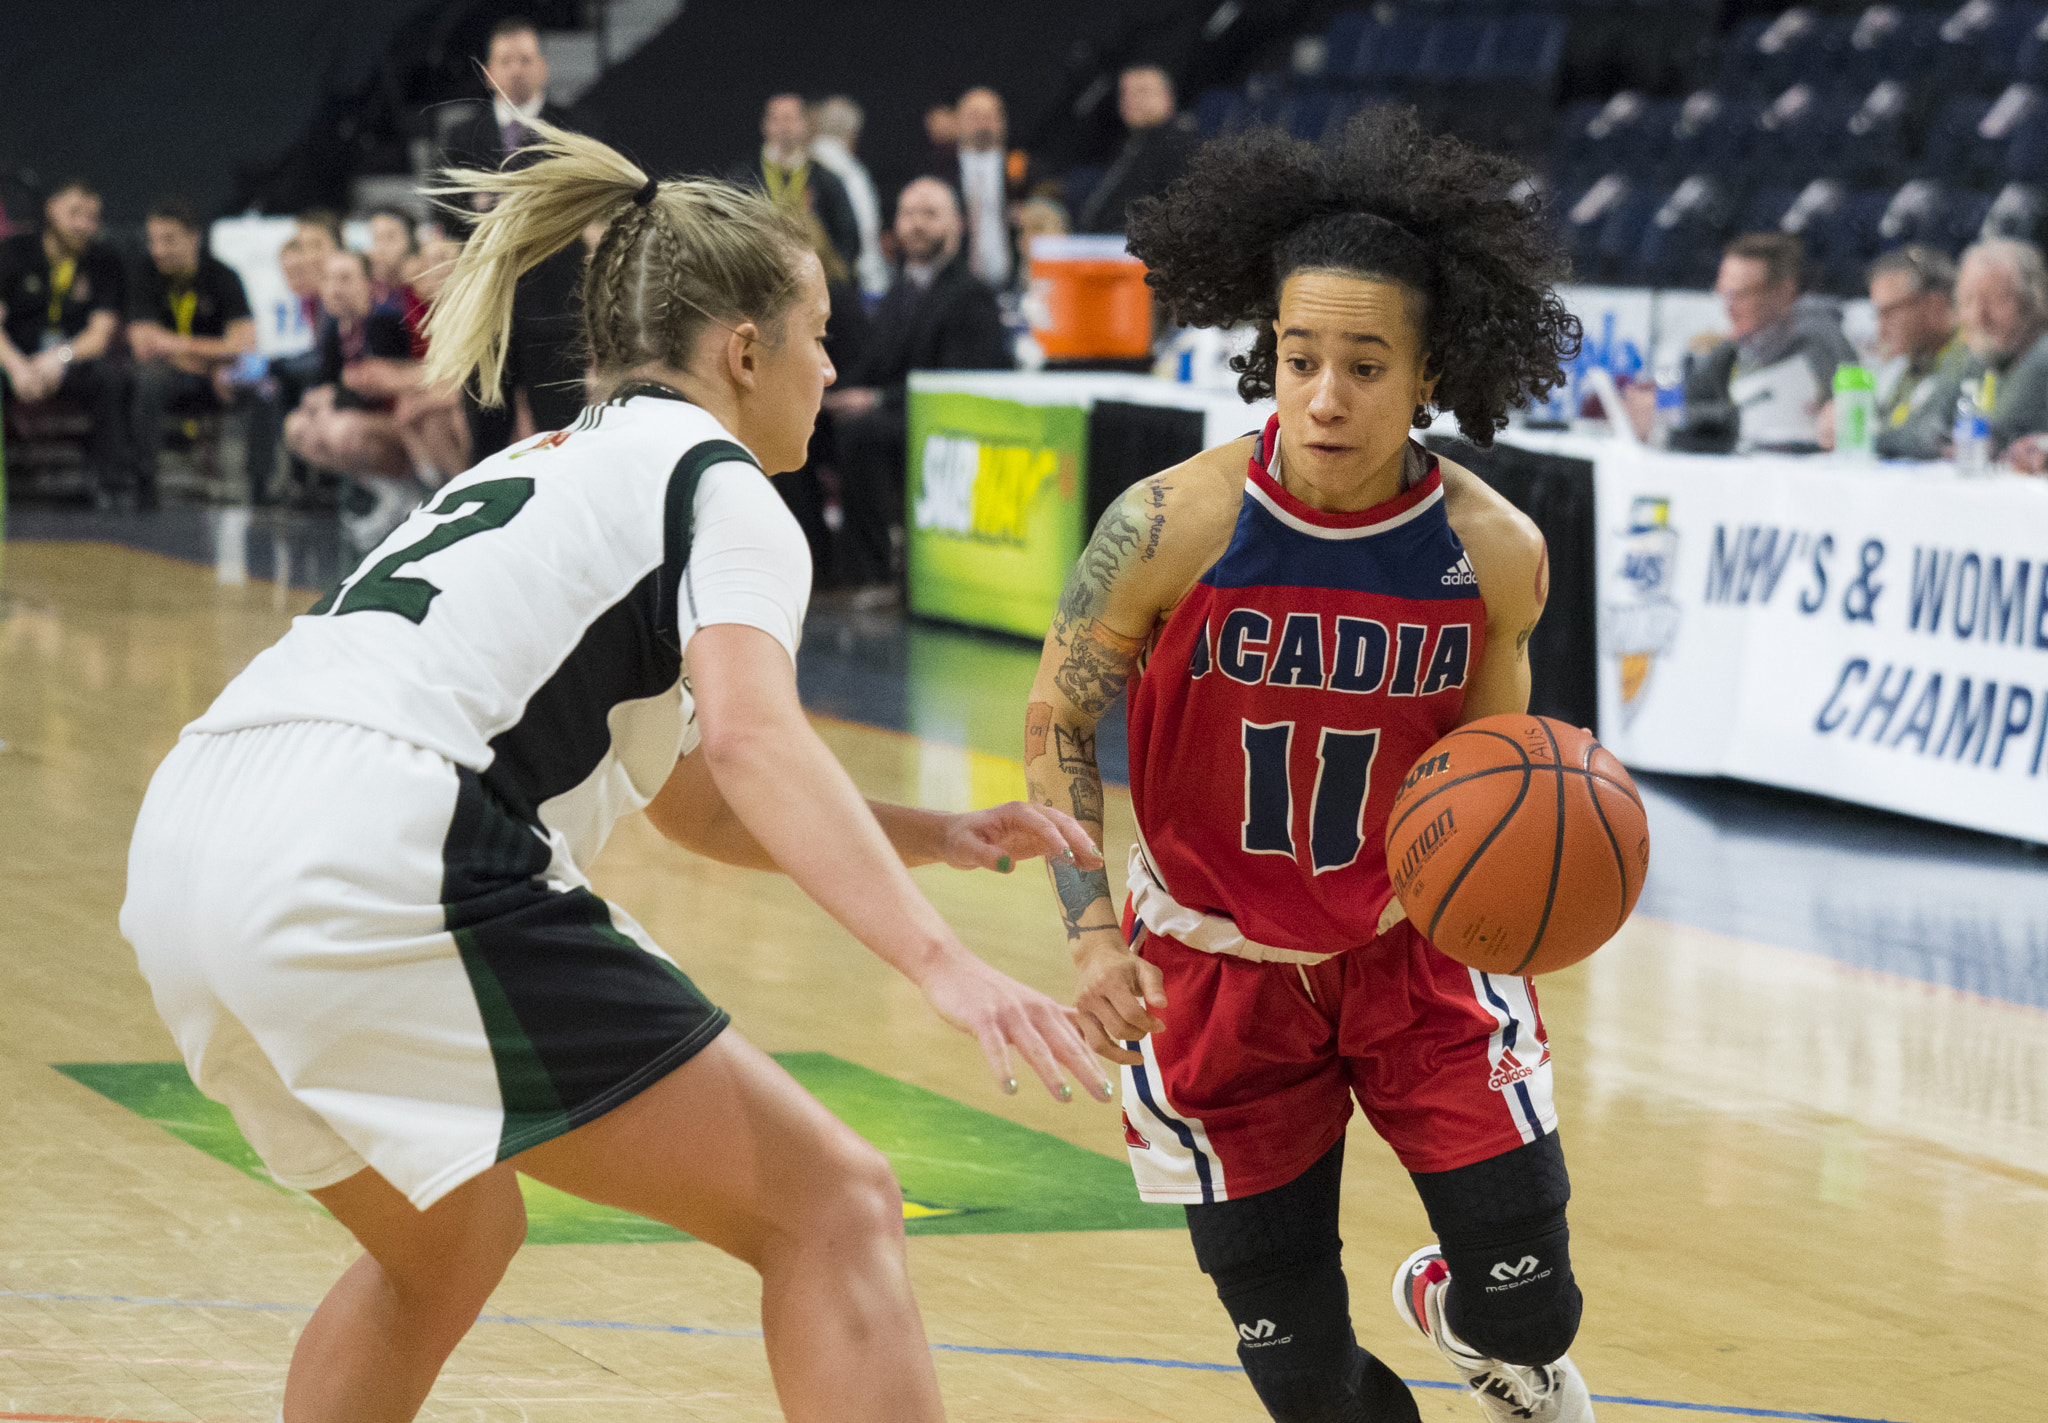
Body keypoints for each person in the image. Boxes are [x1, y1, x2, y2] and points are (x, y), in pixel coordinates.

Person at [121, 115, 1107, 1423]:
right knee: (836, 1202)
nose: (829, 368)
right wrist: (945, 962)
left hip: (193, 846)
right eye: (817, 337)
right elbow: (757, 735)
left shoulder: (548, 460)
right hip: (384, 843)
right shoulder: (723, 484)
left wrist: (933, 833)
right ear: (742, 351)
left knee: (447, 1242)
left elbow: (693, 791)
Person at [1025, 109, 1593, 1423]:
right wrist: (1091, 936)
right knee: (1306, 1385)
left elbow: (1493, 776)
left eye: (1365, 364)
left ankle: (1463, 1310)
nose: (1326, 394)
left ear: (1430, 368)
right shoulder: (1169, 521)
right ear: (1264, 353)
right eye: (1298, 358)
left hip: (1411, 950)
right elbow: (1058, 720)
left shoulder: (1494, 550)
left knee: (1534, 1303)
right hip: (1212, 970)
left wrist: (1524, 894)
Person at [823, 177, 1011, 592]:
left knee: (861, 432)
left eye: (930, 214)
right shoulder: (900, 288)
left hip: (945, 420)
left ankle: (874, 574)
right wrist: (826, 393)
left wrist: (873, 400)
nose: (917, 224)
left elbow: (959, 384)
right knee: (806, 424)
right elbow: (872, 363)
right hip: (896, 409)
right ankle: (820, 561)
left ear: (956, 225)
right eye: (908, 213)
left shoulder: (970, 295)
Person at [443, 15, 583, 455]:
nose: (516, 70)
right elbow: (445, 211)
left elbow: (583, 205)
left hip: (554, 309)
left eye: (525, 59)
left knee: (563, 439)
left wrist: (496, 203)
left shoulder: (573, 129)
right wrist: (477, 208)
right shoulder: (462, 134)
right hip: (487, 311)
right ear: (488, 72)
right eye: (505, 60)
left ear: (542, 67)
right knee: (485, 443)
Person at [0, 179, 130, 504]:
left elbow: (100, 334)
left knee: (109, 376)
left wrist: (61, 357)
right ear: (51, 208)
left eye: (91, 217)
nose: (84, 225)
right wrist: (17, 367)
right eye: (75, 213)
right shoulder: (13, 252)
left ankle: (110, 488)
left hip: (70, 360)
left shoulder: (105, 260)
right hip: (15, 359)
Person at [127, 196, 258, 508]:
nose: (159, 249)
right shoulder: (143, 274)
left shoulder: (223, 276)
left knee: (262, 387)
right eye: (153, 240)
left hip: (217, 379)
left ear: (194, 237)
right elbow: (144, 345)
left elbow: (245, 344)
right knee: (146, 380)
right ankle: (145, 485)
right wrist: (211, 360)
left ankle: (259, 490)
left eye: (169, 240)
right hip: (184, 375)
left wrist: (173, 345)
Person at [284, 249, 418, 548]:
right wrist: (329, 395)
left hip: (405, 421)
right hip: (369, 418)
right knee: (297, 427)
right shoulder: (336, 328)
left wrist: (338, 392)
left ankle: (407, 490)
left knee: (341, 430)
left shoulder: (385, 320)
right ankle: (381, 490)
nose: (334, 288)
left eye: (345, 279)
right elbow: (332, 384)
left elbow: (381, 385)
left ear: (368, 284)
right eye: (329, 279)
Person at [1683, 231, 1856, 452]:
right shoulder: (1728, 356)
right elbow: (1687, 410)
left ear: (1784, 292)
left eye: (1741, 295)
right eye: (1723, 293)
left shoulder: (1821, 347)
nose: (1728, 308)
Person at [1889, 238, 2048, 465]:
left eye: (1997, 299)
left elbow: (1995, 437)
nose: (1979, 316)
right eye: (1969, 300)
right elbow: (1922, 428)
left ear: (2032, 302)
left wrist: (1946, 441)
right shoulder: (1985, 356)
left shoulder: (2042, 356)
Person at [1850, 245, 1965, 456]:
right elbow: (1885, 424)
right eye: (1878, 315)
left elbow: (1925, 435)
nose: (1881, 329)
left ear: (1934, 305)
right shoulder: (1913, 364)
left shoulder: (1967, 359)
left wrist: (1856, 434)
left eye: (1890, 313)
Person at [731, 94, 862, 277]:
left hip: (816, 276)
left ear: (804, 124)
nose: (784, 127)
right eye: (777, 119)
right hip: (760, 277)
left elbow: (849, 236)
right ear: (765, 125)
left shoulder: (826, 179)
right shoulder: (743, 178)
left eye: (790, 119)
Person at [927, 87, 1035, 290]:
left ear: (1003, 122)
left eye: (989, 116)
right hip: (956, 287)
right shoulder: (939, 171)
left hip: (1014, 283)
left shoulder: (1023, 169)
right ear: (957, 121)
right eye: (974, 115)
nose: (982, 122)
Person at [1075, 65, 1202, 235]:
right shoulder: (1129, 145)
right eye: (1125, 93)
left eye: (1142, 91)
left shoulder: (1180, 144)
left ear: (1167, 97)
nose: (1131, 99)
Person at [810, 95, 890, 298]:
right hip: (851, 281)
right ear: (852, 132)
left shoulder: (804, 166)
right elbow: (864, 228)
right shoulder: (850, 172)